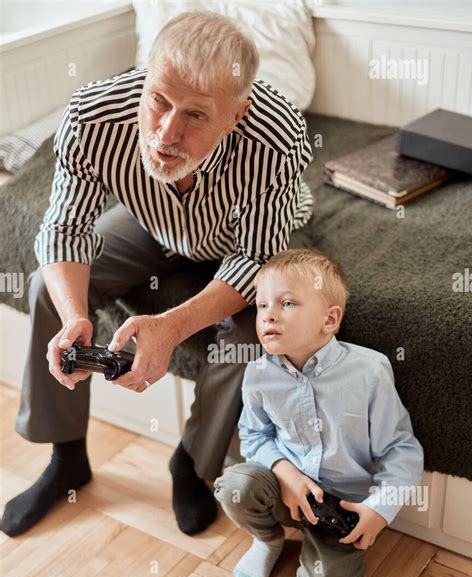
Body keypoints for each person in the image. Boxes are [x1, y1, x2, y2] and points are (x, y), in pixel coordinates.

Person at [2, 11, 314, 538]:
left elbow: (255, 259)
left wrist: (168, 327)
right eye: (159, 101)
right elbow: (65, 229)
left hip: (243, 236)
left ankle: (191, 463)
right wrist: (76, 316)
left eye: (196, 115)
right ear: (144, 79)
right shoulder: (92, 116)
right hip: (153, 223)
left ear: (236, 115)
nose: (167, 133)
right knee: (46, 289)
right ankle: (67, 458)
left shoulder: (276, 137)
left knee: (256, 330)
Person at [214, 248, 424, 577]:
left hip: (340, 510)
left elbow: (401, 449)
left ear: (330, 319)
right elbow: (254, 437)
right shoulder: (259, 373)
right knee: (235, 485)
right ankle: (268, 540)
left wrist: (380, 509)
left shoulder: (369, 372)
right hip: (283, 488)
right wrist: (286, 473)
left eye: (287, 303)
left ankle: (320, 559)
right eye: (262, 306)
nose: (269, 315)